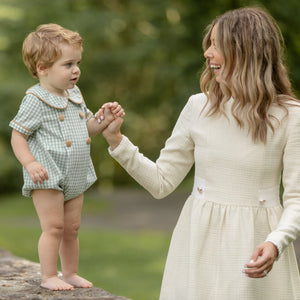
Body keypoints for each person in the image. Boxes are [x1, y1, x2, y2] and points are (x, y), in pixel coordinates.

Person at [101, 7, 300, 300]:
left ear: (245, 51)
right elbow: (161, 182)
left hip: (256, 242)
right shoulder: (198, 106)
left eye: (216, 45)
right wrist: (117, 140)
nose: (207, 53)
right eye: (208, 44)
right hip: (198, 239)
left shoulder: (290, 115)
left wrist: (275, 243)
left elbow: (296, 198)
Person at [9, 24, 124, 291]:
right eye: (68, 64)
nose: (76, 70)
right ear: (42, 68)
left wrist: (104, 119)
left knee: (72, 227)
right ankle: (49, 275)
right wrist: (30, 163)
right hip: (47, 172)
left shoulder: (74, 94)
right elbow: (18, 136)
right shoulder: (35, 99)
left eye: (77, 63)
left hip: (76, 171)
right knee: (54, 227)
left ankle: (70, 273)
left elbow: (86, 128)